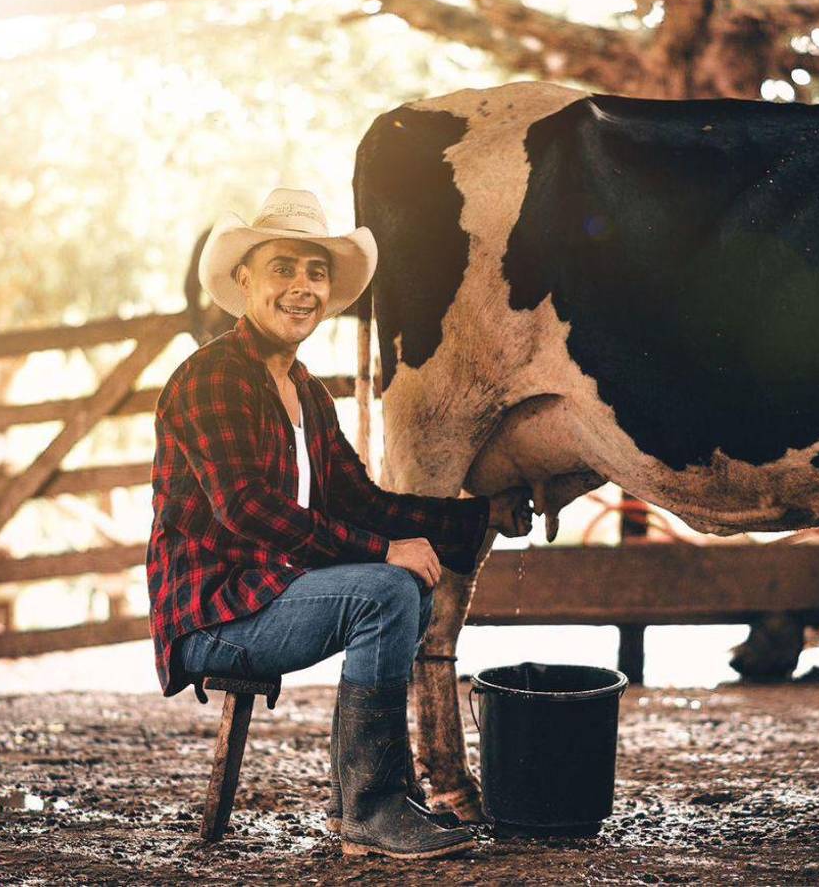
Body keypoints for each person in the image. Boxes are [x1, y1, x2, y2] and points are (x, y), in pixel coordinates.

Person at [146, 188, 533, 860]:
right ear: (244, 282)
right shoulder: (211, 378)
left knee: (401, 586)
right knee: (385, 591)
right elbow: (244, 510)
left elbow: (359, 500)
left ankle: (379, 800)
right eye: (283, 269)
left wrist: (474, 518)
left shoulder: (306, 391)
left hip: (270, 595)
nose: (302, 288)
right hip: (216, 614)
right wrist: (386, 551)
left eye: (315, 272)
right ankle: (372, 809)